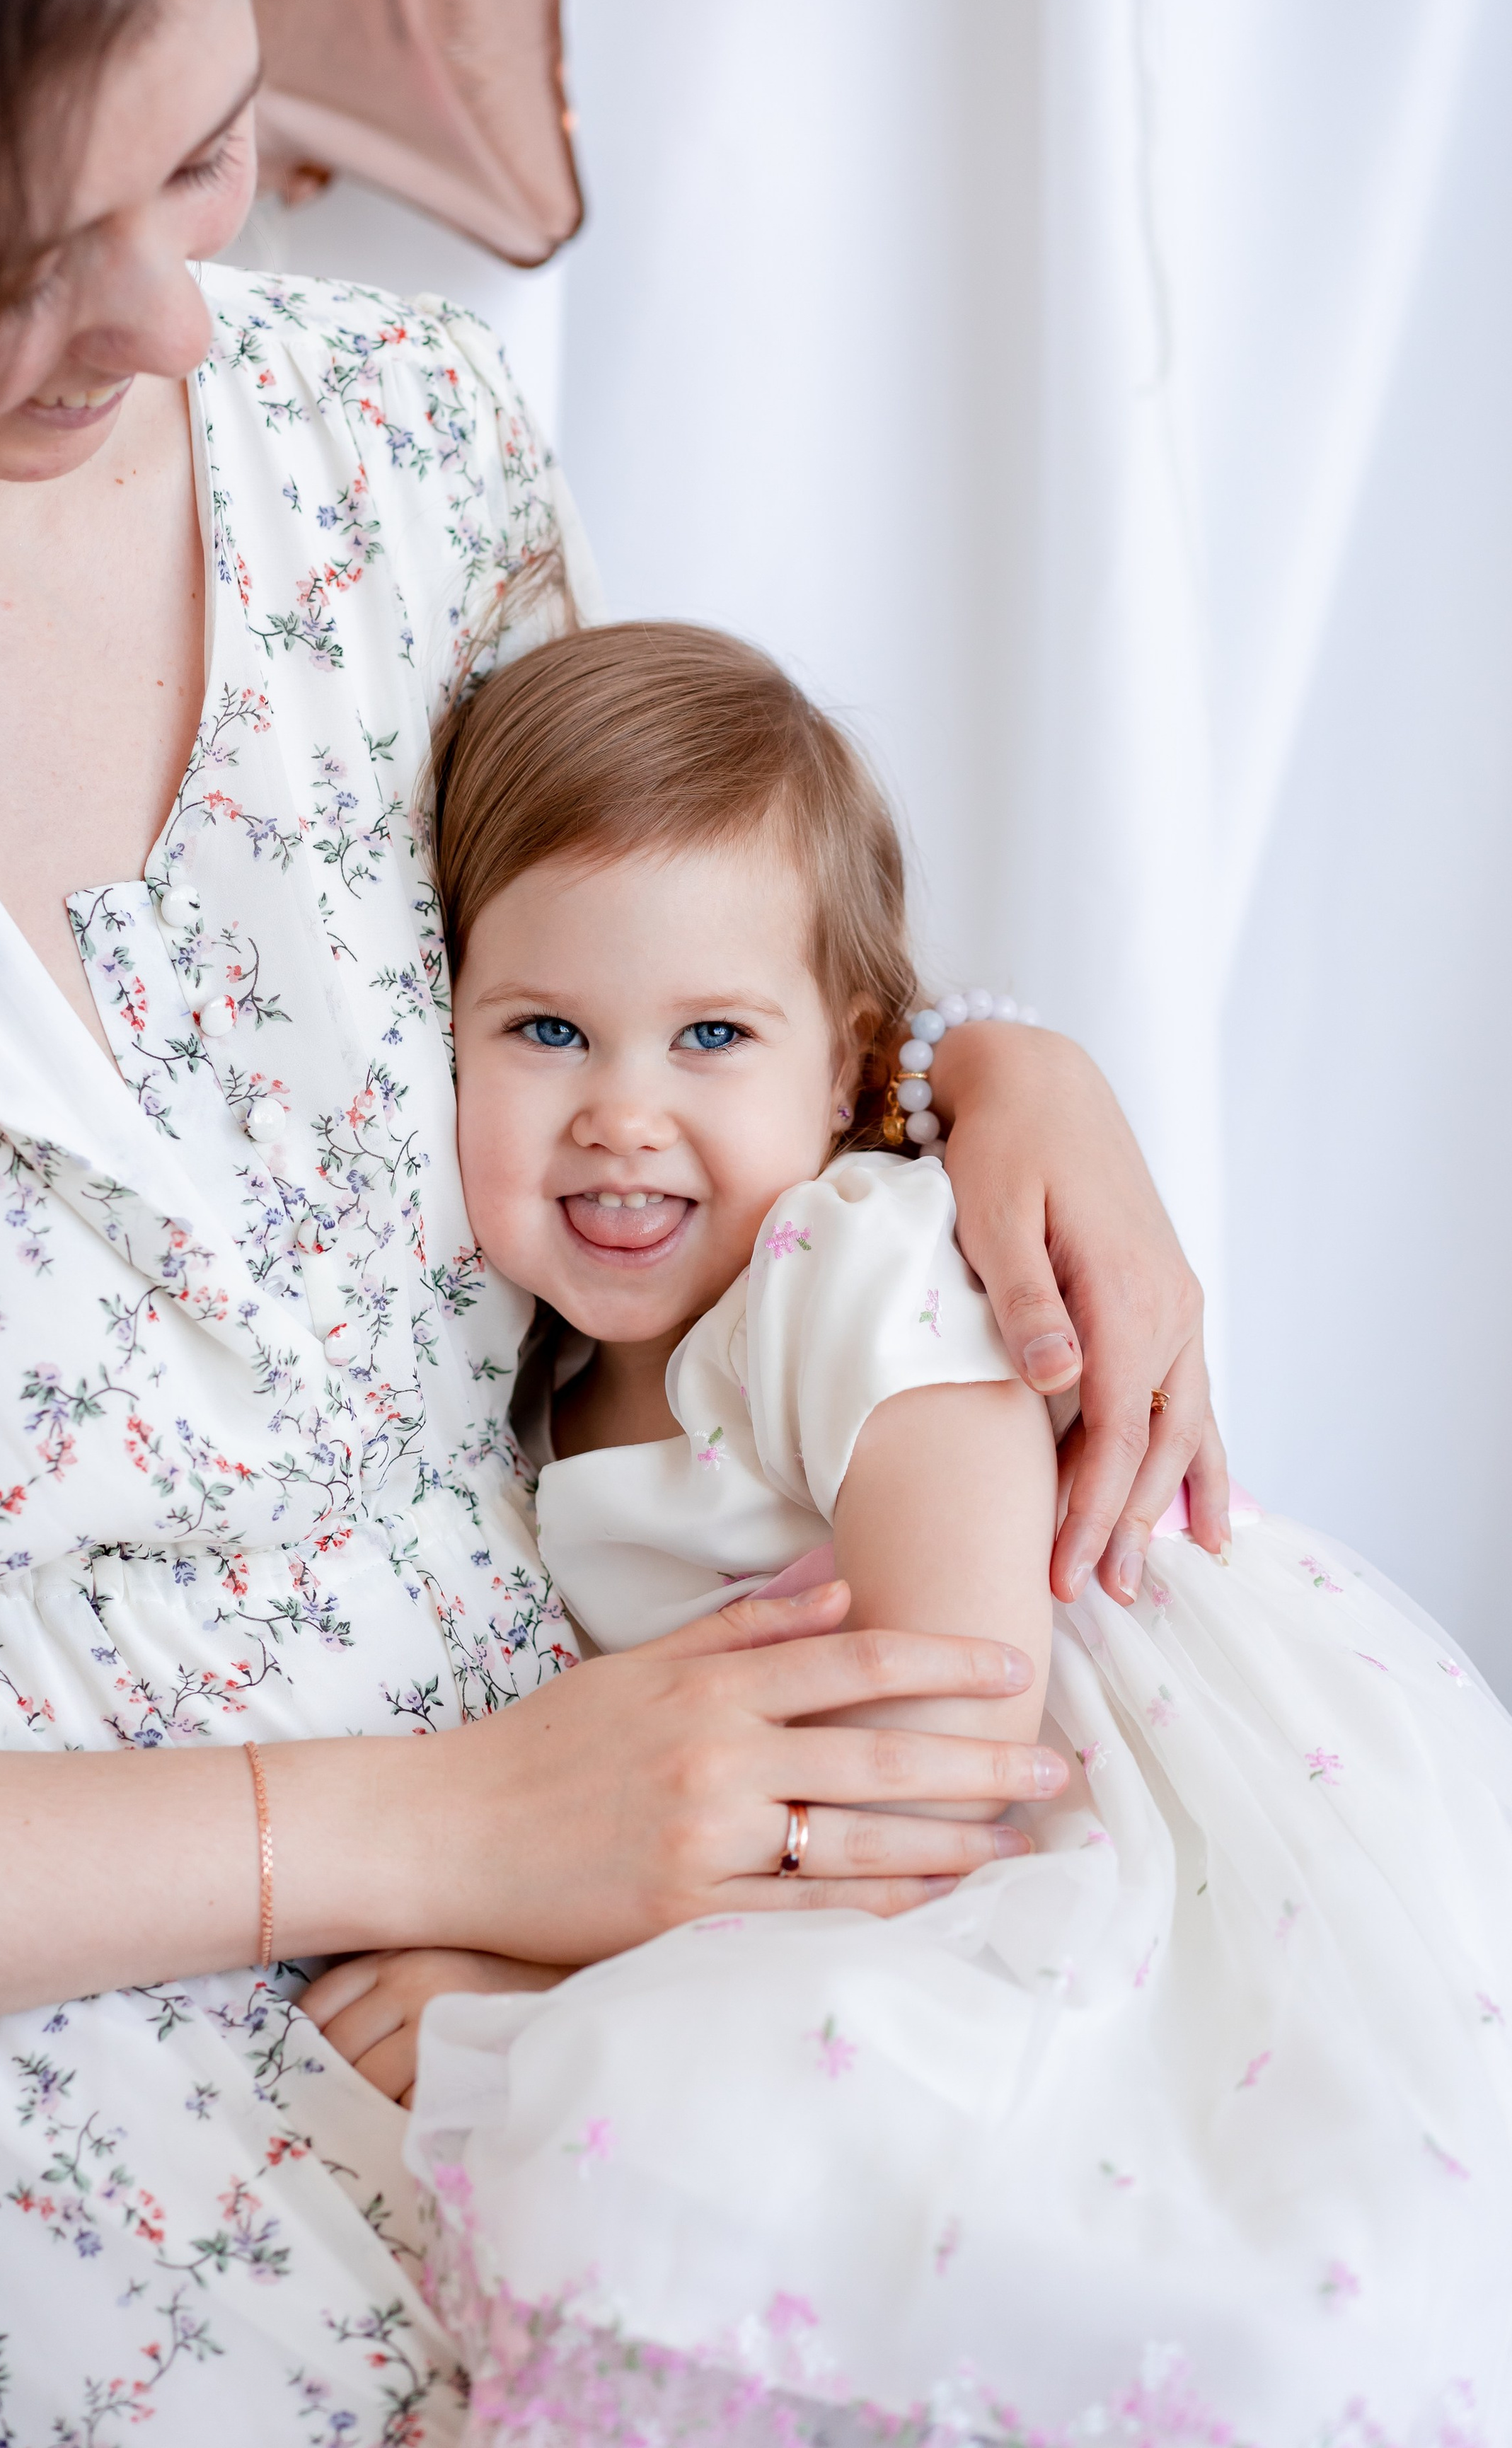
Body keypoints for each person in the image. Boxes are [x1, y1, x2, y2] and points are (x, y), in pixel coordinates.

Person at [0, 0, 1226, 2437]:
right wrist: (446, 1826)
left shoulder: (385, 447)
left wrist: (985, 1065)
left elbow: (651, 958)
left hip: (640, 1921)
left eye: (208, 167)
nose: (177, 323)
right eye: (26, 254)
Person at [311, 621, 1511, 2443]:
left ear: (845, 1063)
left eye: (711, 1034)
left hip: (1045, 1840)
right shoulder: (537, 1373)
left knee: (886, 2159)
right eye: (545, 1030)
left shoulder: (848, 1268)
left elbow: (953, 1727)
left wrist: (540, 1966)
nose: (621, 1112)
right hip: (866, 1832)